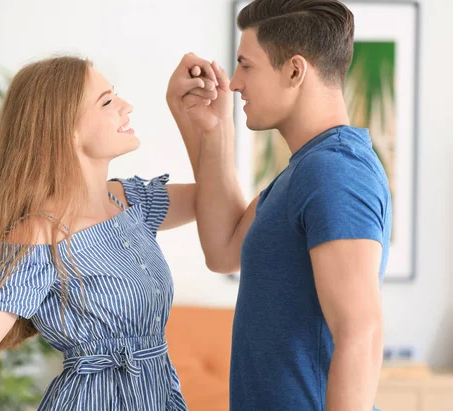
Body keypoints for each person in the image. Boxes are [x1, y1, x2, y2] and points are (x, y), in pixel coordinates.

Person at [0, 55, 213, 410]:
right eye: (107, 101)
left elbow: (216, 199)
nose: (127, 107)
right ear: (65, 129)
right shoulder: (39, 236)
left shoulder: (130, 201)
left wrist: (203, 123)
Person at [166, 0, 392, 410]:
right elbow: (222, 249)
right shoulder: (304, 171)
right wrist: (210, 127)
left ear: (294, 70)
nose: (234, 84)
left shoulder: (334, 171)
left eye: (246, 65)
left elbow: (361, 333)